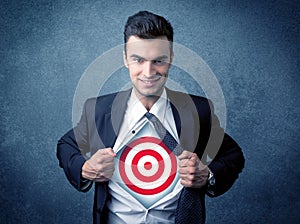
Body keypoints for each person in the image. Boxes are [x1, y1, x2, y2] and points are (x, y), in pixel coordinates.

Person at [56, 10, 245, 224]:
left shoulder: (198, 111)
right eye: (138, 60)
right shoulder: (98, 110)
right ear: (125, 59)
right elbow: (65, 145)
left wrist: (208, 175)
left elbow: (233, 155)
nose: (148, 72)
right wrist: (84, 168)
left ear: (171, 59)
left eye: (158, 61)